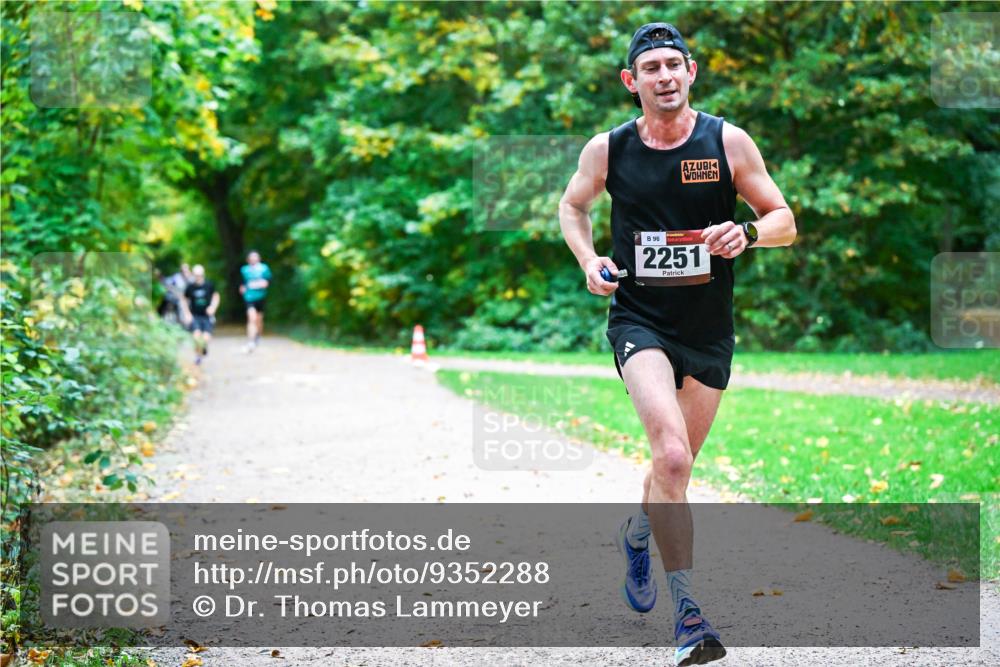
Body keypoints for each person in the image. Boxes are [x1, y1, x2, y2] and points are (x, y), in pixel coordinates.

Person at [558, 22, 796, 666]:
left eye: (674, 64)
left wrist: (748, 233)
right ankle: (688, 615)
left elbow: (783, 219)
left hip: (708, 330)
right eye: (651, 68)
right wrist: (589, 260)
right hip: (640, 320)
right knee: (669, 454)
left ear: (691, 72)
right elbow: (573, 207)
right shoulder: (608, 149)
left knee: (675, 466)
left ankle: (637, 534)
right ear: (630, 81)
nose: (664, 76)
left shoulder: (727, 141)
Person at [181, 265, 219, 365]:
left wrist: (213, 307)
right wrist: (187, 314)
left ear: (203, 274)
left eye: (200, 275)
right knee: (196, 337)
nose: (198, 277)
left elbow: (216, 296)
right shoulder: (190, 287)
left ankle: (203, 349)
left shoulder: (209, 284)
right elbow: (184, 300)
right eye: (196, 275)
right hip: (195, 315)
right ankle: (198, 357)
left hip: (207, 316)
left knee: (206, 338)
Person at [239, 250, 272, 353]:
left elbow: (268, 281)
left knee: (259, 320)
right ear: (248, 259)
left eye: (255, 257)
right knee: (251, 318)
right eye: (251, 257)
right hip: (249, 298)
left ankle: (257, 336)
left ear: (258, 259)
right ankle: (251, 341)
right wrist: (243, 288)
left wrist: (261, 284)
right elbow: (242, 282)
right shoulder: (244, 270)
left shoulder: (264, 268)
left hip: (260, 297)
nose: (253, 259)